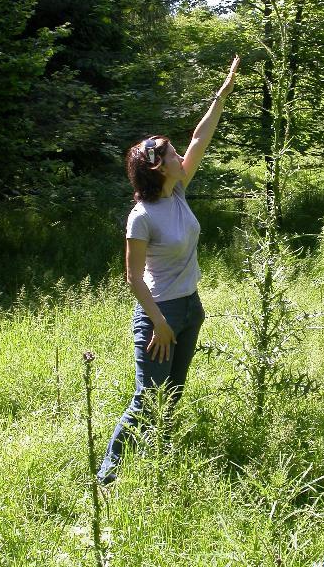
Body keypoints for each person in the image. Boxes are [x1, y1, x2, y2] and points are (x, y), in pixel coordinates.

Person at [97, 55, 241, 485]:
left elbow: (201, 136)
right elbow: (132, 277)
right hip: (158, 315)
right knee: (148, 398)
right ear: (158, 166)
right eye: (173, 153)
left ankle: (158, 461)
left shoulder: (177, 192)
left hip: (189, 309)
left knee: (172, 396)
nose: (182, 154)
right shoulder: (141, 216)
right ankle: (108, 476)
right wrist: (159, 323)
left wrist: (223, 92)